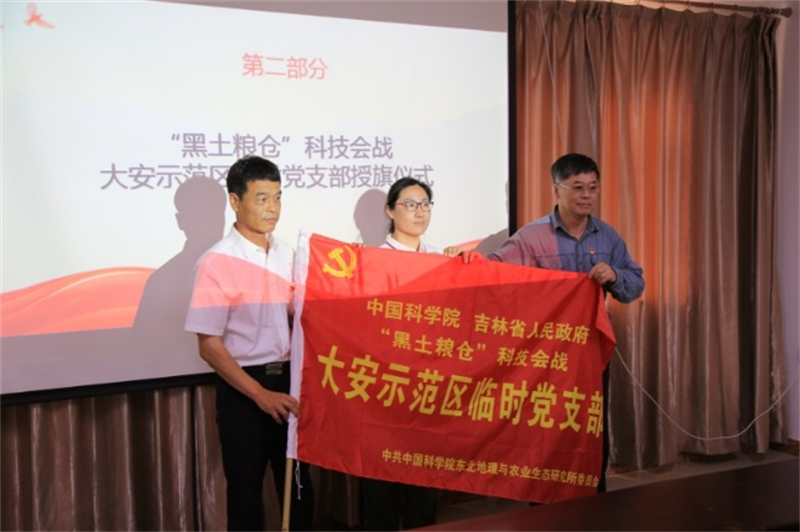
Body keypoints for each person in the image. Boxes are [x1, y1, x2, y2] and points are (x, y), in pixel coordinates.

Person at [486, 153, 645, 493]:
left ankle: (592, 496)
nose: (586, 195)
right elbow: (494, 275)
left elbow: (635, 285)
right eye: (577, 187)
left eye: (592, 187)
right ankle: (543, 504)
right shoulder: (532, 238)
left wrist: (615, 275)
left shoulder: (607, 237)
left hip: (591, 352)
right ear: (556, 190)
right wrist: (465, 264)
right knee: (545, 428)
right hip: (546, 354)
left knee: (590, 426)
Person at [184, 155, 314, 531]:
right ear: (235, 201)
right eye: (262, 198)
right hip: (245, 390)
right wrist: (260, 395)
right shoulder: (216, 262)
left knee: (299, 489)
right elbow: (208, 345)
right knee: (245, 496)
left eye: (277, 197)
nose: (272, 208)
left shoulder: (288, 253)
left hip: (290, 384)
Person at [360, 177, 464, 531]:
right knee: (381, 490)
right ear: (390, 211)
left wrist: (464, 267)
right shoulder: (372, 261)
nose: (419, 212)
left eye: (425, 204)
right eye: (410, 204)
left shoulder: (441, 259)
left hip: (428, 388)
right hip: (384, 390)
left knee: (424, 489)